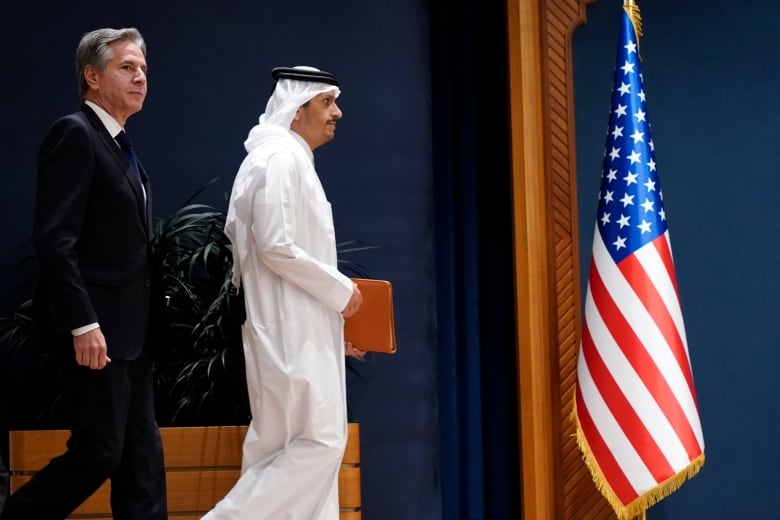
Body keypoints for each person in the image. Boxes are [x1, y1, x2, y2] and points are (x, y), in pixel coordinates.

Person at [0, 27, 167, 519]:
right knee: (100, 451)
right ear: (92, 77)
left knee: (143, 461)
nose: (140, 78)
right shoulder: (74, 133)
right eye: (126, 68)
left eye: (143, 70)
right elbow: (55, 239)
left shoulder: (122, 147)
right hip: (96, 331)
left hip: (133, 333)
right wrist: (82, 322)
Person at [204, 66, 364, 519]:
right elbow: (275, 245)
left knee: (280, 453)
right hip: (289, 331)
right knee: (320, 442)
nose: (337, 112)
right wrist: (340, 291)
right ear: (297, 111)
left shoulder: (283, 158)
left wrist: (332, 327)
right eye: (327, 102)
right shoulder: (278, 160)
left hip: (296, 328)